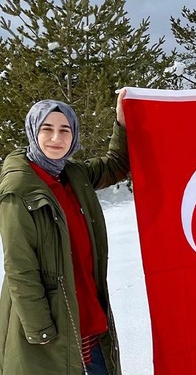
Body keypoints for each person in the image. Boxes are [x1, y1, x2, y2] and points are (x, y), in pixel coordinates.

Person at [0, 92, 130, 375]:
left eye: (64, 130)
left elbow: (116, 165)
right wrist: (41, 332)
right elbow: (20, 269)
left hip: (88, 320)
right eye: (47, 129)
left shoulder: (73, 174)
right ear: (33, 131)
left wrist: (122, 121)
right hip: (54, 330)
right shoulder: (19, 189)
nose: (56, 138)